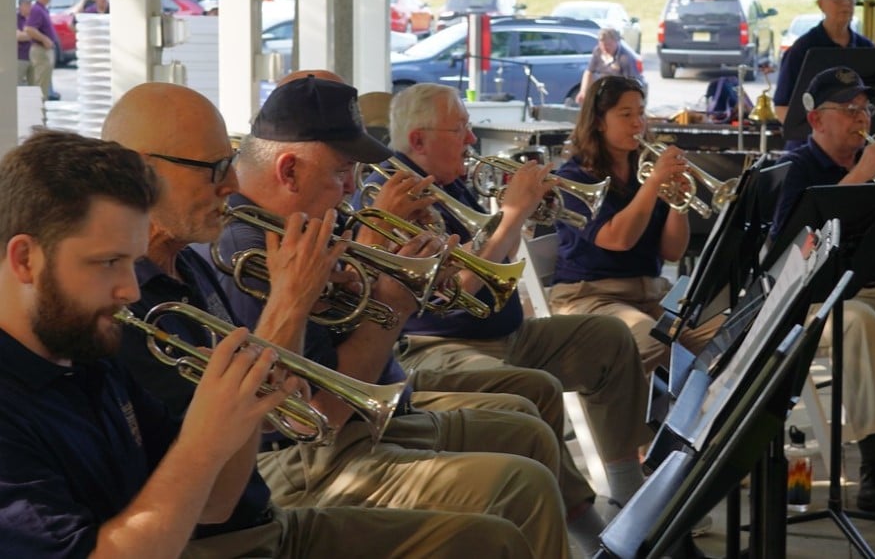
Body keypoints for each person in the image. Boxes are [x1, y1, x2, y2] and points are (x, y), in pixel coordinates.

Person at [0, 130, 534, 558]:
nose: (130, 289)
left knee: (492, 539)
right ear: (25, 259)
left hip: (242, 523)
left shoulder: (84, 349)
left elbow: (216, 504)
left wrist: (241, 407)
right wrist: (204, 441)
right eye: (107, 263)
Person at [102, 82, 569, 558]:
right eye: (216, 169)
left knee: (509, 494)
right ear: (141, 172)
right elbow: (293, 425)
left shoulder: (188, 263)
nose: (230, 184)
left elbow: (293, 392)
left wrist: (355, 286)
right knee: (517, 490)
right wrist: (332, 303)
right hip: (267, 498)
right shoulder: (205, 265)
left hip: (274, 496)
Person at [367, 81, 653, 511]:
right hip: (439, 346)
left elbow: (496, 261)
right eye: (459, 129)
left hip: (505, 332)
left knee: (609, 339)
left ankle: (630, 491)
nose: (471, 140)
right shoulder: (396, 196)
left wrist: (523, 212)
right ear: (418, 139)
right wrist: (513, 214)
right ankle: (579, 514)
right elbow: (453, 293)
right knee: (529, 391)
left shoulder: (450, 182)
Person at [770, 66, 875, 513]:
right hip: (829, 300)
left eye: (865, 108)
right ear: (817, 120)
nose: (861, 117)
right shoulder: (797, 168)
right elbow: (792, 250)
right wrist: (862, 172)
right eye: (849, 109)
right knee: (861, 325)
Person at [547, 75, 719, 375]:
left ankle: (705, 418)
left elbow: (673, 251)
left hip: (650, 296)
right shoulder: (574, 178)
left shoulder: (643, 170)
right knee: (656, 343)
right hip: (591, 296)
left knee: (730, 334)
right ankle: (643, 416)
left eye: (641, 112)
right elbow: (618, 239)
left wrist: (679, 199)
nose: (638, 123)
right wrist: (654, 184)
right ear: (599, 121)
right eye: (626, 115)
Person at [773, 0, 874, 145]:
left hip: (853, 150)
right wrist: (823, 137)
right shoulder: (801, 50)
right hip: (808, 151)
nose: (844, 3)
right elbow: (782, 108)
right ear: (821, 3)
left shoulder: (866, 49)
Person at [575, 27, 637, 105]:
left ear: (616, 42)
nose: (605, 48)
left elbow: (631, 84)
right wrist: (583, 91)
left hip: (619, 93)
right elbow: (589, 72)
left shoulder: (625, 58)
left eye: (608, 44)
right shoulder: (598, 51)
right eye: (602, 44)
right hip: (602, 90)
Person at [23, 0, 58, 101]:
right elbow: (29, 28)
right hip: (40, 51)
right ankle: (39, 116)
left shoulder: (42, 9)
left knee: (45, 84)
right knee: (41, 85)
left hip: (45, 51)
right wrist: (45, 39)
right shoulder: (37, 10)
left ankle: (41, 114)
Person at [15, 0, 32, 85]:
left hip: (33, 57)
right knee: (16, 85)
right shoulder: (15, 17)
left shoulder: (33, 17)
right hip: (20, 57)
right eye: (27, 4)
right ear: (21, 6)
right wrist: (34, 34)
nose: (30, 6)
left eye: (30, 4)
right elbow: (17, 36)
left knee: (35, 87)